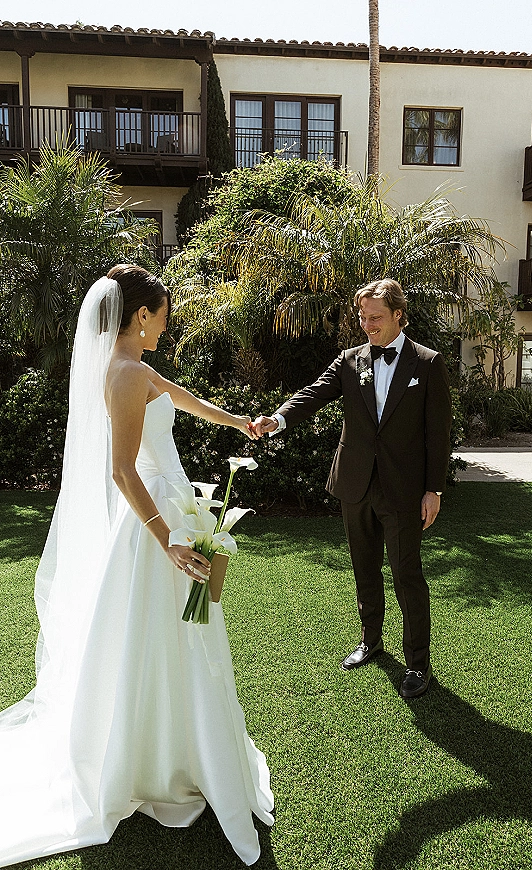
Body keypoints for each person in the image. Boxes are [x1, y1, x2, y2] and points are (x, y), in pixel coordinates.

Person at [0, 265, 273, 868]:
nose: (167, 324)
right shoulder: (122, 375)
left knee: (182, 632)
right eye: (164, 314)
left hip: (173, 505)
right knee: (157, 632)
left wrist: (240, 424)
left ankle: (183, 746)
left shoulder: (139, 370)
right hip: (152, 521)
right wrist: (167, 540)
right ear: (141, 316)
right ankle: (150, 757)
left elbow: (188, 402)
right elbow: (123, 469)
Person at [253, 279, 452, 699]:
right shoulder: (349, 360)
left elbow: (439, 433)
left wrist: (433, 489)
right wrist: (279, 419)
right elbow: (313, 394)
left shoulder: (428, 363)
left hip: (403, 490)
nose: (367, 325)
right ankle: (371, 641)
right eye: (362, 317)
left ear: (399, 315)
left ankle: (418, 663)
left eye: (375, 317)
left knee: (406, 576)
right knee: (365, 569)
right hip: (355, 483)